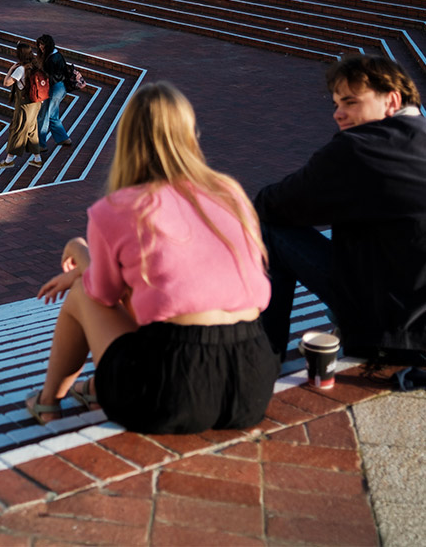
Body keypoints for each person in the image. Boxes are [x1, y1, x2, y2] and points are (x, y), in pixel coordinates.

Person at [26, 82, 277, 433]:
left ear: (126, 140)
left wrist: (79, 251)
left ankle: (48, 401)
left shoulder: (117, 208)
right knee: (142, 293)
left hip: (170, 393)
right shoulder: (229, 192)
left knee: (84, 292)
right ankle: (96, 387)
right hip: (251, 382)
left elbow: (101, 293)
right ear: (192, 134)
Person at [255, 55, 426, 364]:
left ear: (392, 100)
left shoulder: (359, 147)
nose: (339, 114)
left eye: (350, 102)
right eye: (336, 105)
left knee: (270, 228)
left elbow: (277, 203)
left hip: (394, 327)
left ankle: (264, 362)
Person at [0, 42, 45, 170]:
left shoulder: (20, 69)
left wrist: (10, 70)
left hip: (24, 104)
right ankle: (37, 158)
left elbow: (6, 83)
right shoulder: (36, 65)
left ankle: (9, 160)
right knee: (31, 129)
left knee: (18, 129)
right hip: (36, 102)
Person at [36, 33, 72, 151]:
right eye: (40, 44)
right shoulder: (53, 55)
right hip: (57, 87)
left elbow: (53, 76)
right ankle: (62, 138)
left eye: (43, 45)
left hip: (55, 87)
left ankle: (41, 144)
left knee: (45, 115)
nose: (41, 47)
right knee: (51, 115)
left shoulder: (53, 57)